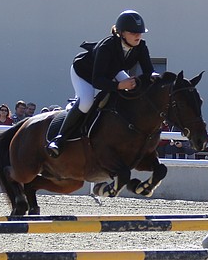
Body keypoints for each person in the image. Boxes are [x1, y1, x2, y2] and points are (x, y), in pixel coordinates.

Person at [46, 9, 155, 158]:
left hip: (111, 70)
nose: (138, 36)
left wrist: (156, 78)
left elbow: (149, 71)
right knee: (86, 102)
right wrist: (118, 86)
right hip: (84, 73)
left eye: (140, 32)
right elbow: (98, 81)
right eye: (133, 32)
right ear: (122, 33)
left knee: (132, 91)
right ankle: (59, 139)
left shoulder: (141, 46)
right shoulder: (107, 47)